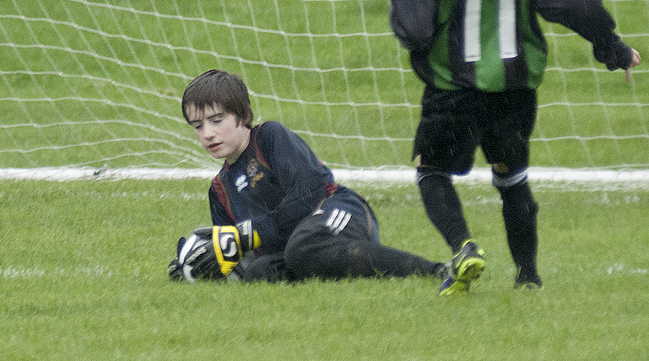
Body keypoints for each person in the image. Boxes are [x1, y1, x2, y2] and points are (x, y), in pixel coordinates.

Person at [389, 0, 640, 294]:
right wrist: (611, 47)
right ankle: (528, 276)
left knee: (431, 171)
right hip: (515, 92)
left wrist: (421, 44)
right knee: (512, 179)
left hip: (453, 93)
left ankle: (464, 247)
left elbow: (414, 28)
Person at [168, 68, 453, 287]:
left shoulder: (268, 137)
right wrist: (199, 263)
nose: (207, 133)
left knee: (303, 245)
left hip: (337, 210)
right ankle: (334, 271)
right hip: (295, 248)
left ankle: (434, 270)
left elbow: (309, 192)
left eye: (216, 121)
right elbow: (239, 252)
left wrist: (246, 235)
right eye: (197, 126)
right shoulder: (219, 190)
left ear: (242, 116)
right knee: (260, 272)